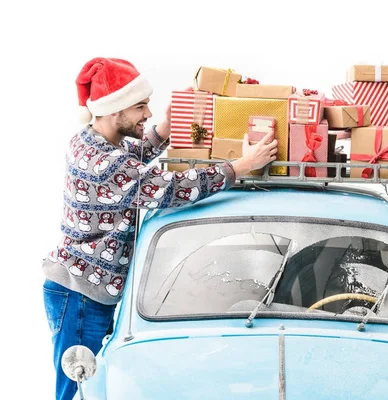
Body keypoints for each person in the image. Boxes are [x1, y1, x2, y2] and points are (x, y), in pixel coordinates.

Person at [41, 57, 278, 400]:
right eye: (140, 107)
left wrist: (167, 127)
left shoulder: (94, 141)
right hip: (80, 294)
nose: (147, 114)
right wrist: (242, 165)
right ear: (113, 111)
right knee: (78, 389)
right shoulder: (106, 163)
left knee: (89, 385)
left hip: (83, 287)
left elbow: (133, 156)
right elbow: (171, 188)